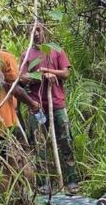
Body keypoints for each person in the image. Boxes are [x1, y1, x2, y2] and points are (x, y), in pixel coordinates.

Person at [20, 23, 80, 193]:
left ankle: (71, 180)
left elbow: (66, 73)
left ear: (44, 31)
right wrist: (37, 76)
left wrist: (49, 71)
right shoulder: (27, 55)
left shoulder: (56, 50)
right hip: (36, 106)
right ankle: (43, 184)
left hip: (57, 104)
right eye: (33, 31)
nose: (36, 34)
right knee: (39, 144)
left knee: (65, 141)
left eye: (38, 30)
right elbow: (22, 77)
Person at [0, 23, 38, 165]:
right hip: (4, 120)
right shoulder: (5, 57)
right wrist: (32, 103)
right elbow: (15, 89)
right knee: (9, 162)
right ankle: (13, 186)